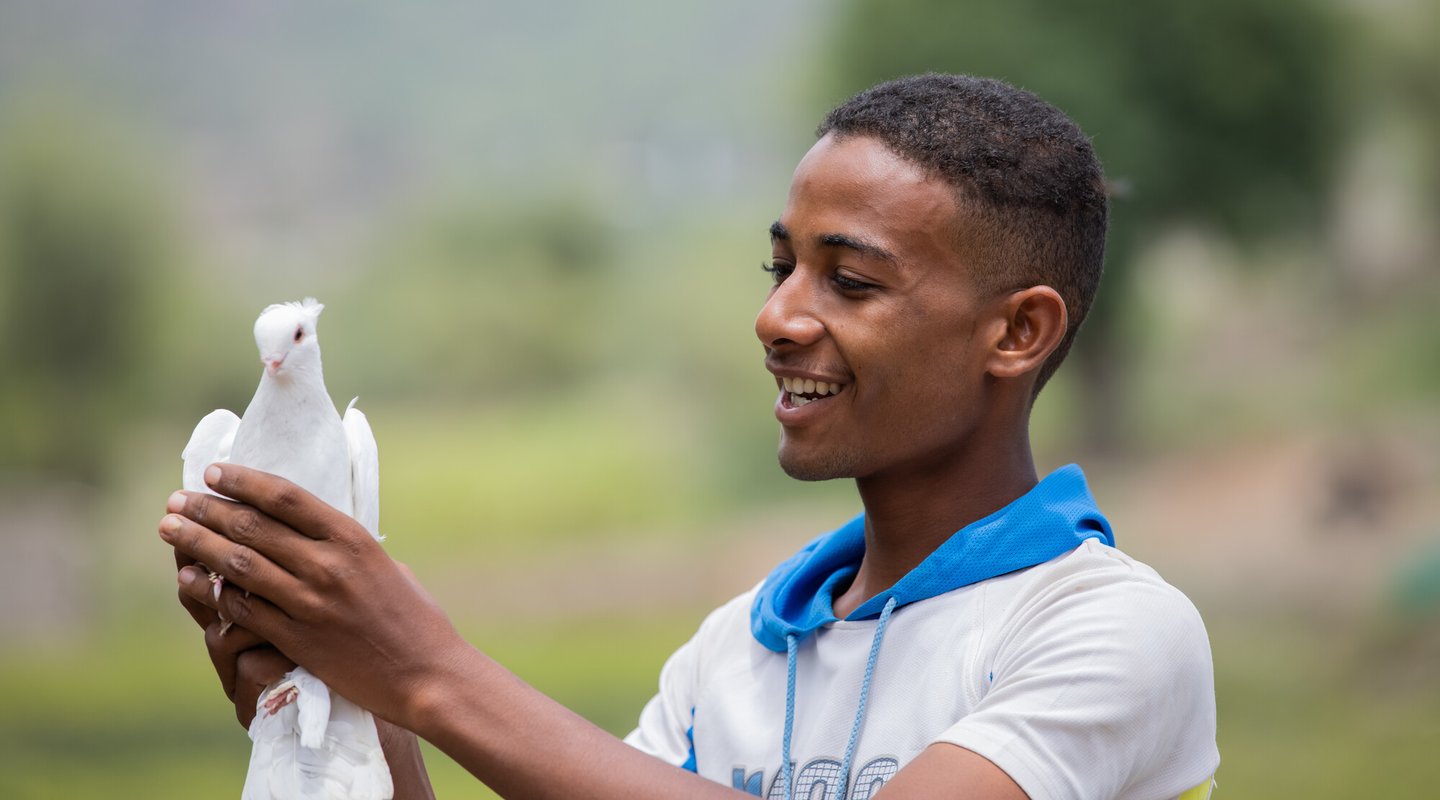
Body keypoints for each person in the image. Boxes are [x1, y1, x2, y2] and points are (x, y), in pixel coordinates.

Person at [162, 74, 1219, 799]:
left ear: (1017, 329)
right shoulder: (737, 651)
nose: (779, 316)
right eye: (782, 268)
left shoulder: (1108, 629)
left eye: (849, 279)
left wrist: (422, 666)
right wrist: (347, 706)